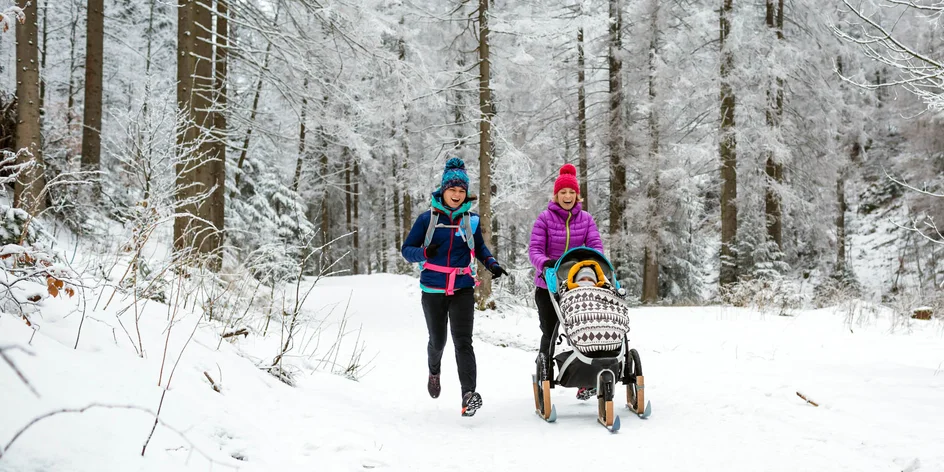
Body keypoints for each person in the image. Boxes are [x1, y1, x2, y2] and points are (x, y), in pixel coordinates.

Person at [401, 157, 508, 417]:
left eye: (462, 191)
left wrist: (491, 263)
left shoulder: (470, 221)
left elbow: (480, 248)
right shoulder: (427, 219)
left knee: (463, 342)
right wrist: (425, 252)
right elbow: (407, 251)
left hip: (462, 287)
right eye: (453, 190)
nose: (458, 195)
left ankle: (468, 395)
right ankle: (434, 371)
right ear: (443, 190)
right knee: (438, 342)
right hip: (434, 288)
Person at [528, 163, 604, 400]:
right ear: (556, 195)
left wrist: (593, 264)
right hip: (549, 286)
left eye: (571, 192)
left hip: (580, 286)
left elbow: (596, 248)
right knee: (550, 332)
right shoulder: (545, 219)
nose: (568, 196)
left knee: (583, 330)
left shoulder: (587, 219)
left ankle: (587, 379)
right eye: (563, 192)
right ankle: (546, 372)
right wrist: (545, 263)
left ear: (577, 195)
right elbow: (535, 250)